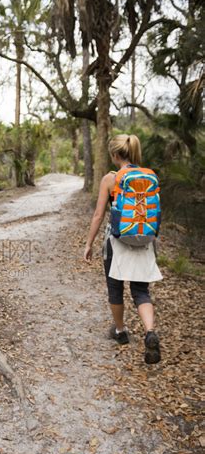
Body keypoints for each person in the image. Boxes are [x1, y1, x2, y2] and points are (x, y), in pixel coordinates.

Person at [84, 134, 162, 364]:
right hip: (144, 241)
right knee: (141, 291)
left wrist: (88, 244)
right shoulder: (150, 176)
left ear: (115, 155)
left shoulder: (111, 179)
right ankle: (149, 332)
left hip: (118, 241)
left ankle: (120, 331)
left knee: (115, 288)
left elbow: (99, 215)